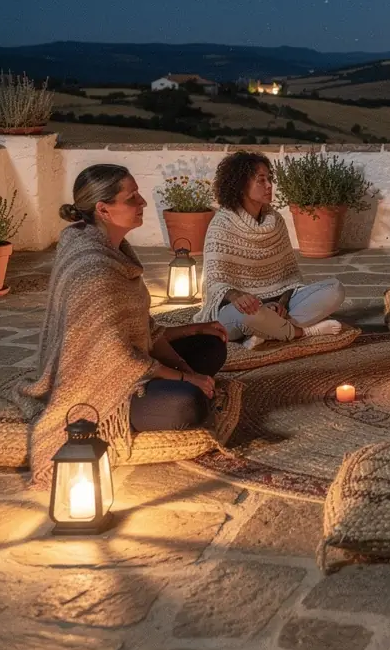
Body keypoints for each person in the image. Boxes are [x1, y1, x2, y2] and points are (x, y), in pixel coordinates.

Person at [15, 164, 229, 486]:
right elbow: (116, 358)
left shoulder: (113, 250)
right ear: (103, 209)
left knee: (211, 346)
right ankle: (170, 394)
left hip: (127, 359)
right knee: (188, 405)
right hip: (98, 381)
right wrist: (188, 377)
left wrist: (193, 331)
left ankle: (184, 377)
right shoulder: (93, 268)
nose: (142, 203)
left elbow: (138, 329)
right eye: (132, 198)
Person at [198, 151, 345, 347]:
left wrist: (282, 304)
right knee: (251, 316)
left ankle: (269, 330)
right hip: (239, 309)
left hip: (278, 306)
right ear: (241, 185)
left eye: (269, 179)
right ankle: (303, 332)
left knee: (334, 289)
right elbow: (215, 283)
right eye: (261, 180)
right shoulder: (222, 225)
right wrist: (240, 297)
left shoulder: (275, 221)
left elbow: (289, 278)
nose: (269, 185)